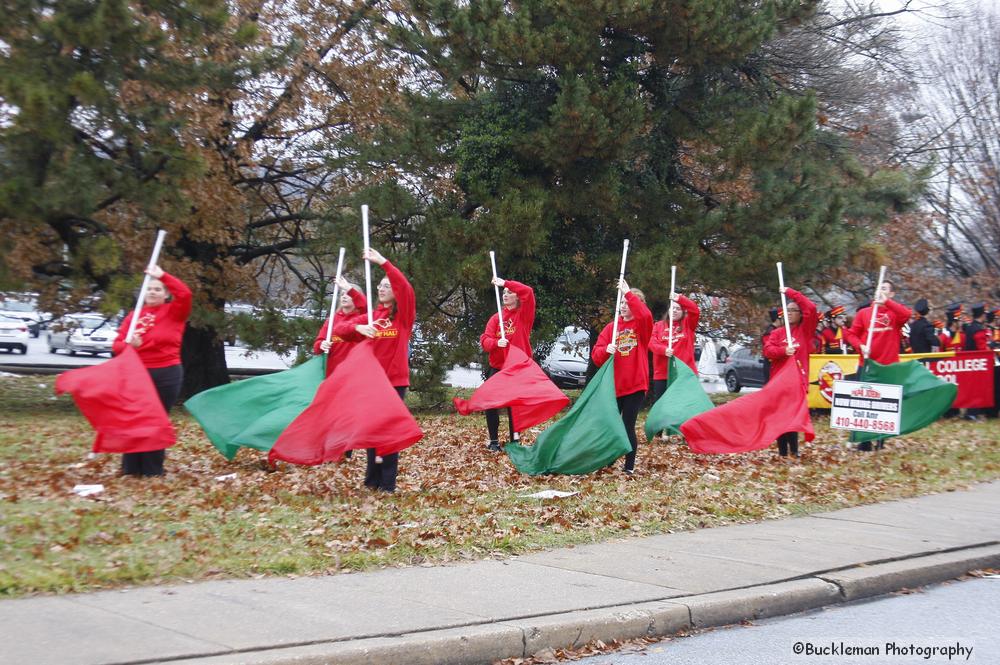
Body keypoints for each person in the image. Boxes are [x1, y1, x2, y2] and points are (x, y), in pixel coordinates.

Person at [334, 248, 416, 493]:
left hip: (394, 382)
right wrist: (358, 330)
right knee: (372, 430)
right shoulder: (373, 317)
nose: (382, 288)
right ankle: (372, 480)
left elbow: (406, 290)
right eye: (380, 285)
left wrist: (383, 263)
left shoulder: (402, 317)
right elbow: (339, 329)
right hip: (372, 384)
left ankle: (388, 484)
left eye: (387, 286)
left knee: (387, 432)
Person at [112, 265, 192, 476]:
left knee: (156, 419)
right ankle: (131, 468)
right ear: (142, 293)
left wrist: (163, 275)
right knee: (134, 418)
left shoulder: (174, 312)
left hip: (166, 373)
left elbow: (185, 294)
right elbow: (117, 346)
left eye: (158, 289)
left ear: (166, 294)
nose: (153, 292)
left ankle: (152, 469)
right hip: (136, 373)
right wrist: (131, 345)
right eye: (149, 289)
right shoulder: (133, 316)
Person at [591, 279, 653, 474]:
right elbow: (596, 355)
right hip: (615, 386)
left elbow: (646, 316)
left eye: (628, 303)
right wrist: (605, 351)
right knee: (611, 425)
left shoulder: (641, 327)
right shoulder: (612, 328)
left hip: (635, 384)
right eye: (622, 303)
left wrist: (628, 293)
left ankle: (629, 467)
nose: (624, 306)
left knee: (627, 425)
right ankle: (608, 461)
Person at [843, 280, 911, 451]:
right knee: (865, 403)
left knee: (886, 404)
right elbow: (851, 335)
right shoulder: (865, 313)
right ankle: (865, 441)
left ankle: (881, 440)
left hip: (888, 365)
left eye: (885, 289)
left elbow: (907, 315)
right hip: (867, 364)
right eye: (879, 288)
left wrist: (886, 302)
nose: (881, 291)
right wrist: (860, 346)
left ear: (891, 294)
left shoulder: (895, 313)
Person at [479, 276, 536, 451]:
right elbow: (484, 340)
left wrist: (506, 283)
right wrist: (496, 343)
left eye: (509, 293)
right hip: (498, 367)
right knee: (490, 402)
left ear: (517, 296)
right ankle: (494, 441)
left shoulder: (524, 315)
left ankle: (514, 441)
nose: (505, 294)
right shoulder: (496, 318)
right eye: (504, 292)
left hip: (517, 367)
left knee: (515, 405)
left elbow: (528, 292)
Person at [762, 287, 818, 457]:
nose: (791, 313)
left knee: (792, 417)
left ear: (800, 314)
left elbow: (812, 309)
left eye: (794, 310)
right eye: (788, 310)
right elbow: (768, 350)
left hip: (798, 381)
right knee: (780, 418)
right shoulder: (777, 333)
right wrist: (783, 351)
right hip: (779, 382)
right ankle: (782, 452)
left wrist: (789, 292)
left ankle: (794, 451)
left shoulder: (805, 331)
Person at [649, 292, 700, 404]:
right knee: (663, 406)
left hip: (684, 373)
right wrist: (663, 350)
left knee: (683, 405)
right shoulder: (659, 325)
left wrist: (680, 299)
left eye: (679, 308)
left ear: (683, 312)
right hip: (663, 375)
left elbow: (695, 310)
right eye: (673, 308)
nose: (675, 311)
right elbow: (651, 343)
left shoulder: (688, 324)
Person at [313, 276, 367, 377]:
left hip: (355, 372)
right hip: (333, 372)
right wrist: (321, 344)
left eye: (348, 294)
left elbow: (365, 305)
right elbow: (317, 346)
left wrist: (350, 289)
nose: (344, 296)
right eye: (342, 294)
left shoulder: (363, 317)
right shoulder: (332, 319)